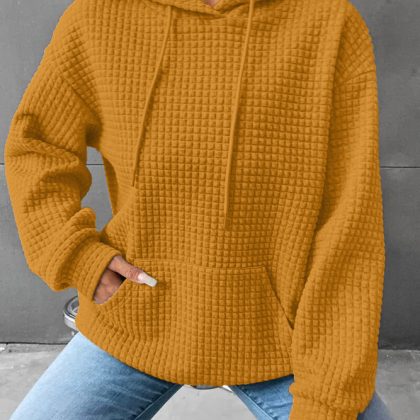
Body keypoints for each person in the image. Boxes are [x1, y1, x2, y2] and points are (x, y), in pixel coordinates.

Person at [4, 0, 393, 418]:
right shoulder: (99, 17)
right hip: (135, 317)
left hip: (281, 338)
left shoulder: (330, 24)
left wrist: (327, 401)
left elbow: (349, 227)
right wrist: (77, 256)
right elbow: (37, 147)